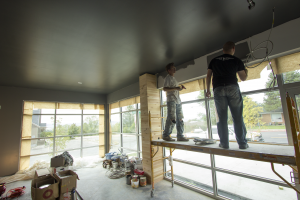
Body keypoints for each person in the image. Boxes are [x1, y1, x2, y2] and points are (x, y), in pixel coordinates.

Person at [206, 41, 249, 149]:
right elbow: (243, 78)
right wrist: (246, 71)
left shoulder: (214, 60)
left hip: (218, 89)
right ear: (233, 48)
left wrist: (207, 90)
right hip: (232, 88)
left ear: (223, 50)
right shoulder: (237, 60)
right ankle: (242, 143)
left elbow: (208, 76)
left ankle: (224, 144)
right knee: (237, 117)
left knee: (222, 118)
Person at [162, 63, 189, 142]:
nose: (175, 69)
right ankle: (166, 135)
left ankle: (180, 136)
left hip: (177, 100)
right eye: (173, 68)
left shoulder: (174, 79)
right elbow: (165, 89)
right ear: (169, 70)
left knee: (180, 118)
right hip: (171, 100)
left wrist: (179, 88)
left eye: (175, 67)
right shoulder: (168, 78)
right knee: (172, 118)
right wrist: (176, 88)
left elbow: (174, 89)